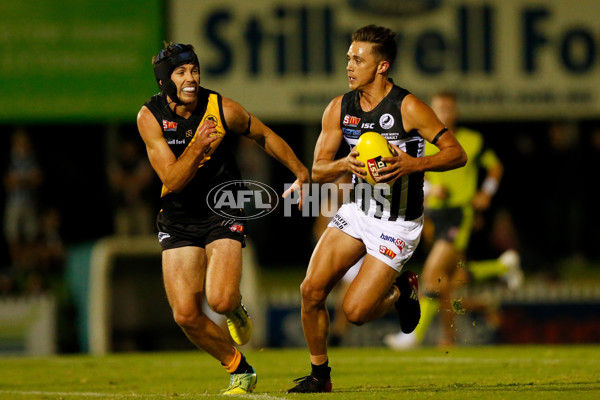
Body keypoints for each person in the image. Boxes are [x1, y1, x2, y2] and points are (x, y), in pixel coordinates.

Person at [286, 25, 467, 393]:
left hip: (397, 225)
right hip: (357, 213)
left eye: (358, 59)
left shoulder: (409, 107)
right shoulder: (340, 107)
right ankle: (320, 376)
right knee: (311, 291)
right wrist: (343, 165)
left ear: (382, 66)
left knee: (355, 313)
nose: (349, 65)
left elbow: (456, 153)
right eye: (348, 58)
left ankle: (402, 290)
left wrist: (412, 164)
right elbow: (318, 168)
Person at [136, 43, 309, 395]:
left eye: (194, 70)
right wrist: (198, 146)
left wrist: (300, 170)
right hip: (179, 217)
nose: (191, 78)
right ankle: (240, 369)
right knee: (185, 314)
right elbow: (172, 180)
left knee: (220, 300)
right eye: (181, 72)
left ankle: (235, 309)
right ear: (163, 80)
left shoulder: (222, 108)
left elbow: (264, 135)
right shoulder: (149, 117)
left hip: (224, 207)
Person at [383, 91, 523, 350]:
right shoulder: (421, 141)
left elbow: (495, 168)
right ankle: (501, 269)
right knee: (451, 280)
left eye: (448, 109)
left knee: (432, 276)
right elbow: (414, 177)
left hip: (460, 213)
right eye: (438, 109)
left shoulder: (471, 140)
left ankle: (414, 335)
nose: (443, 114)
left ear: (455, 112)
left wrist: (486, 193)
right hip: (433, 216)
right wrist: (428, 190)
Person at [107, 137, 155, 236]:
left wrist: (127, 181)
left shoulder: (143, 162)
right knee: (123, 235)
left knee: (145, 235)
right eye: (125, 148)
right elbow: (115, 181)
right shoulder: (117, 163)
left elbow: (145, 178)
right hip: (123, 208)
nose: (128, 150)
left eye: (130, 147)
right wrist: (133, 181)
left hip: (142, 207)